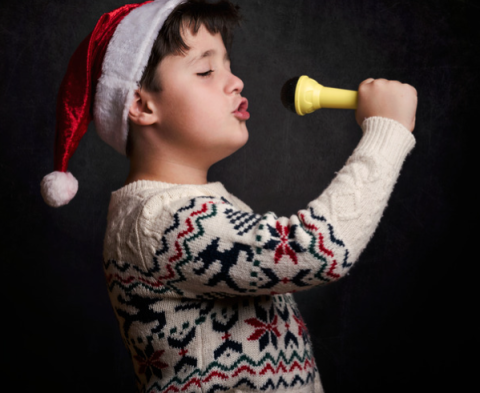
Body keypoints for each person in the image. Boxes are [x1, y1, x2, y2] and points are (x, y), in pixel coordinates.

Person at [40, 0, 417, 392]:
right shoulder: (158, 220)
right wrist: (386, 132)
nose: (235, 81)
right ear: (141, 104)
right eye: (205, 70)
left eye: (228, 65)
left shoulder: (192, 207)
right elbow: (318, 250)